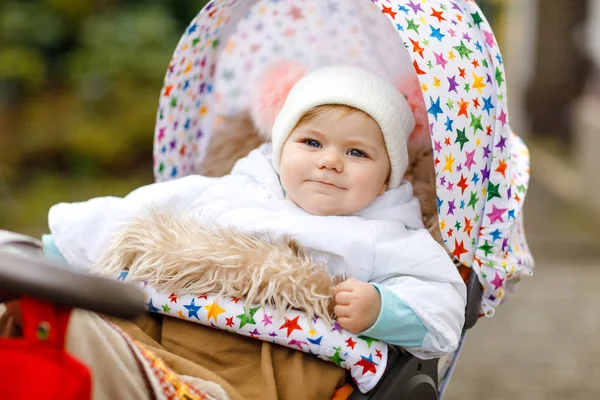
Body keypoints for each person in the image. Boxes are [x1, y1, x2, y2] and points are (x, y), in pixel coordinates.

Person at [6, 64, 467, 399]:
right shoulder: (230, 192)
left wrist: (381, 307)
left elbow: (442, 300)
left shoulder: (384, 233)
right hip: (165, 326)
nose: (329, 160)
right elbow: (135, 217)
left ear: (388, 176)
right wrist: (50, 254)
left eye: (358, 153)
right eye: (311, 142)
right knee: (58, 324)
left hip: (269, 363)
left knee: (99, 355)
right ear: (280, 147)